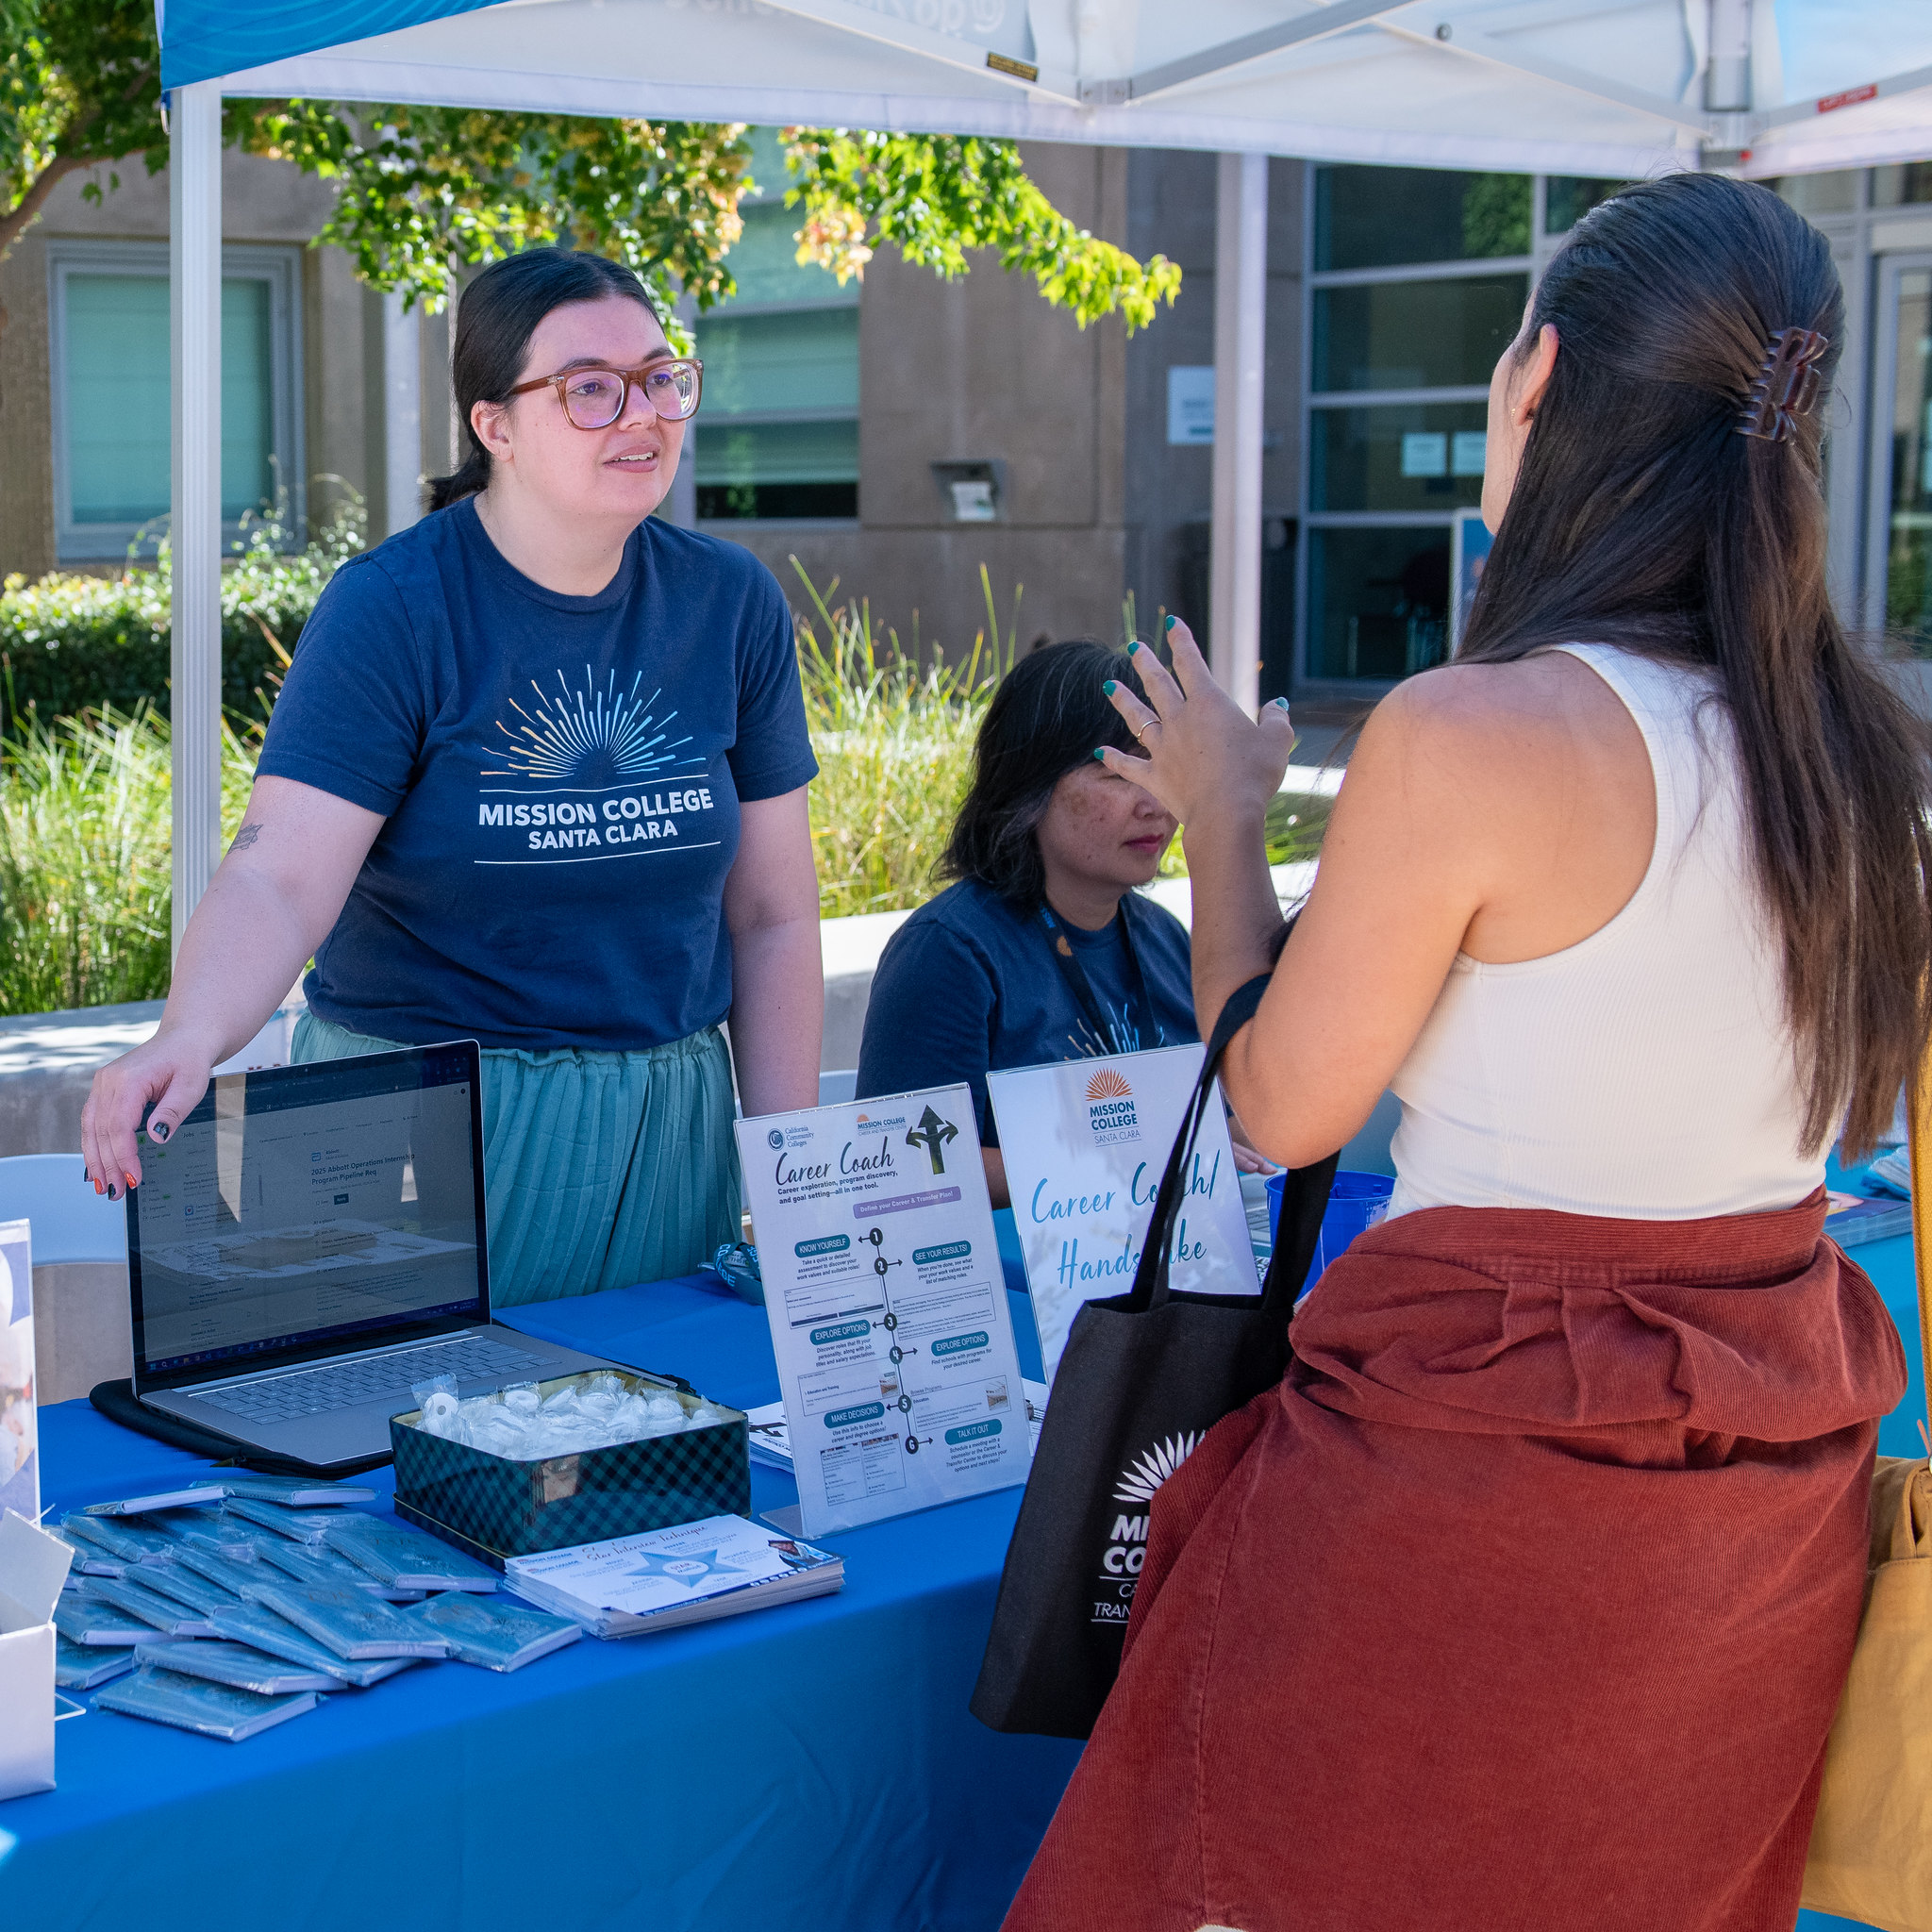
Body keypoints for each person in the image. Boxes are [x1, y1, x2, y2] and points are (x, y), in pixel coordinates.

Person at [1003, 174, 1929, 1932]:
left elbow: (1279, 1105)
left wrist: (1220, 817)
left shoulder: (1476, 731)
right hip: (1744, 1546)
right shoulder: (1865, 762)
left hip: (1463, 1516)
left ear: (1537, 384)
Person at [81, 248, 823, 1306]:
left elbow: (773, 914)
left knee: (659, 1440)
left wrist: (784, 1164)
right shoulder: (395, 606)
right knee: (393, 1451)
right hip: (411, 1125)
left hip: (664, 1131)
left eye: (661, 377)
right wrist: (188, 1033)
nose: (641, 413)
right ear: (494, 425)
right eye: (588, 389)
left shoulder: (730, 603)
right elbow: (279, 876)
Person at [857, 641, 1236, 1208]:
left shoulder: (1165, 937)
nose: (1156, 801)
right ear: (1028, 785)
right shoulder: (950, 952)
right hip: (1008, 1280)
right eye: (1119, 771)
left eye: (1164, 768)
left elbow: (1215, 1126)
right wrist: (1128, 1159)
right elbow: (904, 1164)